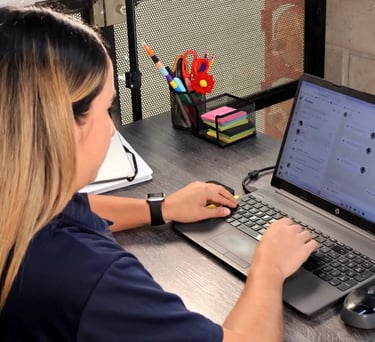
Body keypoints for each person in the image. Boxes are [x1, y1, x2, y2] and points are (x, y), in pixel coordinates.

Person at [0, 6, 318, 341]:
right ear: (60, 125)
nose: (111, 131)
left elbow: (67, 210)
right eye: (107, 109)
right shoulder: (94, 282)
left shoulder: (17, 207)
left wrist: (161, 208)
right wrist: (269, 267)